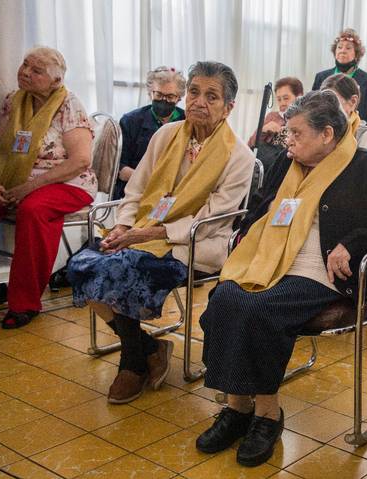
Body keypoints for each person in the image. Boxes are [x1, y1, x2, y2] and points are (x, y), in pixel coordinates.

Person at [195, 90, 367, 467]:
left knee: (258, 309)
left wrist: (353, 243)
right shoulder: (289, 163)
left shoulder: (365, 167)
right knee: (224, 297)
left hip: (321, 270)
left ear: (327, 134)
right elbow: (262, 209)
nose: (289, 142)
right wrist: (250, 240)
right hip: (271, 259)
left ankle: (267, 415)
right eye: (287, 133)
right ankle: (237, 407)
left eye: (296, 134)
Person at [67, 61, 255, 404]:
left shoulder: (238, 155)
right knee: (82, 265)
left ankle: (132, 365)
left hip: (195, 242)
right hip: (140, 231)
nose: (198, 101)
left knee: (122, 268)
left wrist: (146, 235)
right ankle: (148, 347)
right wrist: (123, 227)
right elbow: (136, 190)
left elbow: (214, 217)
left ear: (229, 107)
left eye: (211, 96)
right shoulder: (166, 135)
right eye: (194, 92)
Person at [0, 46, 96, 328]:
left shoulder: (68, 104)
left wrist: (31, 187)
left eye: (36, 70)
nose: (25, 72)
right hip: (14, 180)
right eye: (25, 64)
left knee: (33, 209)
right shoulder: (14, 100)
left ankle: (24, 302)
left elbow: (80, 160)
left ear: (56, 81)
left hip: (66, 182)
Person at [114, 67, 186, 200]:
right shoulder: (131, 121)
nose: (164, 100)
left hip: (174, 193)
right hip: (136, 190)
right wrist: (152, 183)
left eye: (170, 96)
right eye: (158, 95)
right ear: (149, 93)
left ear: (179, 98)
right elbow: (120, 169)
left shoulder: (187, 121)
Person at [312, 28, 367, 131]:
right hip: (325, 132)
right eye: (339, 47)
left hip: (357, 133)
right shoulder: (321, 77)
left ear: (356, 54)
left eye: (348, 48)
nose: (343, 51)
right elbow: (312, 109)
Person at [321, 73, 367, 154]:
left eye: (332, 101)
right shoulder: (320, 131)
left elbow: (362, 166)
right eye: (323, 102)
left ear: (353, 101)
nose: (327, 108)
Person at [247, 76, 303, 150]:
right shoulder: (272, 117)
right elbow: (250, 145)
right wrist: (263, 130)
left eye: (286, 98)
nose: (282, 103)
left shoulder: (305, 120)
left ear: (299, 96)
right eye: (279, 99)